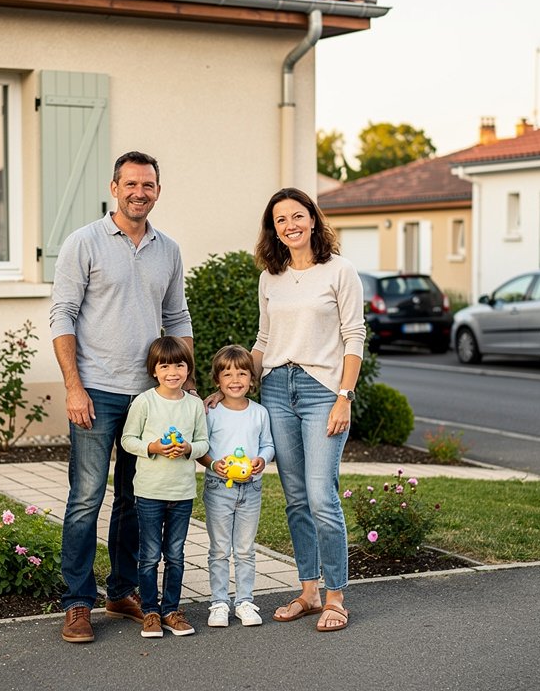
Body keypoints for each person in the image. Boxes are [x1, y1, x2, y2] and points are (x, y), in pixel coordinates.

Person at [49, 150, 196, 643]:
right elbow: (62, 315)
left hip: (148, 398)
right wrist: (73, 386)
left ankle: (121, 590)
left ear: (158, 190)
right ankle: (77, 603)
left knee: (136, 500)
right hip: (94, 392)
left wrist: (185, 383)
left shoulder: (168, 249)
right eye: (130, 184)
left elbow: (177, 319)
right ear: (114, 187)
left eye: (148, 185)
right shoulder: (83, 242)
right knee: (86, 499)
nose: (139, 192)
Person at [252, 187, 365, 632]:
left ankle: (336, 596)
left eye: (297, 216)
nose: (290, 225)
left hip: (323, 391)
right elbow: (264, 341)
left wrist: (345, 396)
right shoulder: (270, 277)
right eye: (281, 220)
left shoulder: (340, 271)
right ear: (274, 230)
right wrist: (234, 385)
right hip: (277, 388)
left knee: (322, 496)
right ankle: (309, 591)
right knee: (296, 498)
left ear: (313, 220)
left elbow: (354, 336)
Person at [120, 336, 209, 638]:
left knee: (175, 555)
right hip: (149, 492)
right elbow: (128, 440)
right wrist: (154, 447)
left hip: (182, 493)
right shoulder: (145, 402)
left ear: (188, 369)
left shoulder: (194, 405)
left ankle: (171, 609)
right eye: (165, 366)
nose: (173, 372)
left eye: (180, 365)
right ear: (154, 370)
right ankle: (150, 612)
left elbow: (203, 442)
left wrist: (187, 449)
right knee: (149, 555)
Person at [196, 344, 274, 628]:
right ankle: (219, 602)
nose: (236, 380)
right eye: (227, 375)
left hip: (251, 489)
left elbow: (268, 444)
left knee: (245, 549)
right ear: (217, 381)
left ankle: (244, 601)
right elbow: (201, 446)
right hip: (219, 488)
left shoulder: (259, 413)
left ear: (252, 379)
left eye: (242, 373)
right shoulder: (211, 412)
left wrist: (262, 460)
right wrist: (213, 463)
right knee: (219, 549)